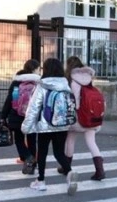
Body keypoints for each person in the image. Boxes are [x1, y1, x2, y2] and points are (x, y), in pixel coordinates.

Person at [21, 58, 78, 193]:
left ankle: (40, 180)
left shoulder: (42, 85)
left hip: (45, 125)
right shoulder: (66, 85)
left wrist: (26, 127)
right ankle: (69, 172)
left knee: (42, 152)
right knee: (59, 152)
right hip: (62, 124)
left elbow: (33, 107)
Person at [64, 58, 106, 182]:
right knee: (92, 143)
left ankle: (66, 166)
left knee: (70, 139)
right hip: (91, 117)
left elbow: (75, 102)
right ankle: (100, 170)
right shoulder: (88, 80)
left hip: (78, 117)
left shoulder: (72, 81)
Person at [0, 59, 40, 174]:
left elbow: (9, 100)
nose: (39, 71)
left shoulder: (17, 82)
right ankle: (32, 163)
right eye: (38, 69)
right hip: (32, 115)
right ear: (33, 69)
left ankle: (27, 157)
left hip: (16, 114)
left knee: (19, 140)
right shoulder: (37, 83)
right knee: (32, 140)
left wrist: (3, 116)